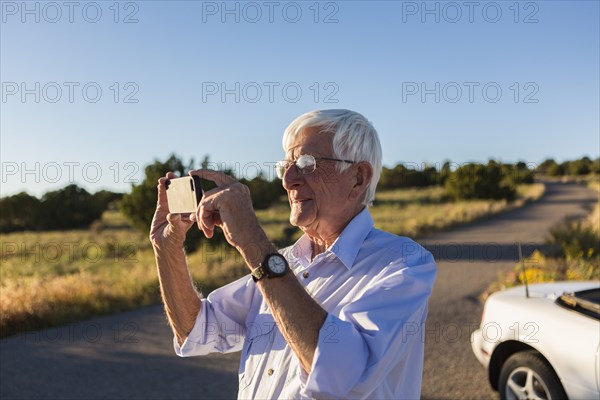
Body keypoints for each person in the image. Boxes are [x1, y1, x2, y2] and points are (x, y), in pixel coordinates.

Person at [149, 109, 437, 399]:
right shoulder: (280, 265)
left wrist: (254, 243)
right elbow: (196, 330)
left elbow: (341, 374)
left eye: (306, 164)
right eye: (285, 166)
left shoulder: (403, 262)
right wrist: (166, 247)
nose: (288, 181)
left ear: (358, 178)